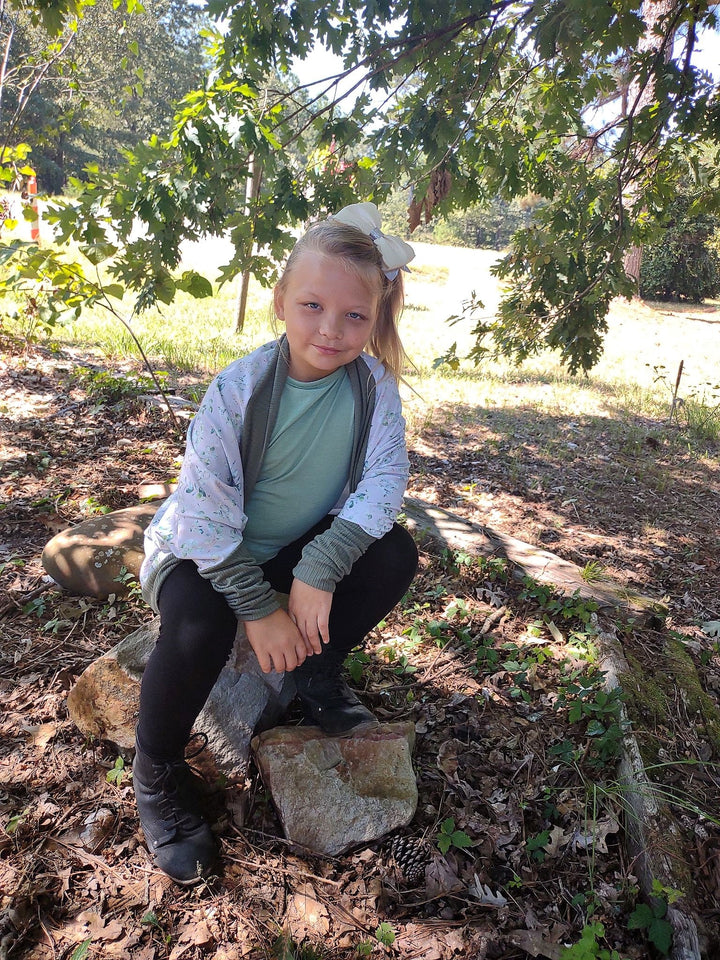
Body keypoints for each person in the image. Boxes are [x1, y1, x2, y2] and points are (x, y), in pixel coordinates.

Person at [133, 202, 419, 884]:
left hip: (291, 546)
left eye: (355, 316)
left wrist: (319, 568)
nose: (332, 328)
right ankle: (157, 769)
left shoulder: (373, 386)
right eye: (314, 305)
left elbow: (385, 481)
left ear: (377, 318)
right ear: (281, 301)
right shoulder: (240, 390)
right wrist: (258, 608)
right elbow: (202, 518)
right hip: (203, 552)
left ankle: (310, 672)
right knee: (201, 622)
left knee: (393, 554)